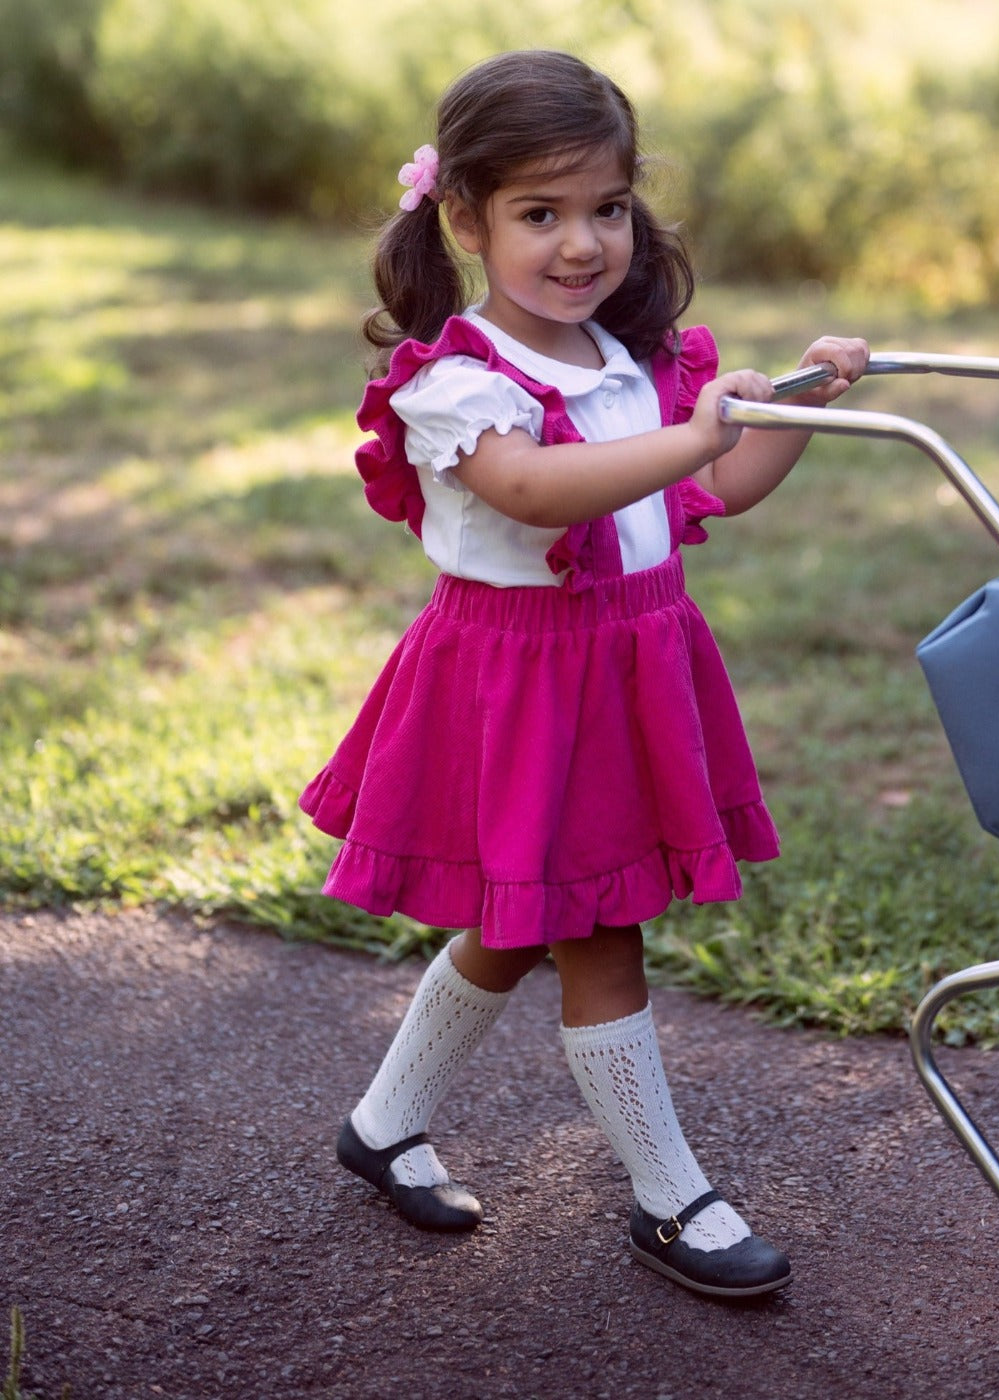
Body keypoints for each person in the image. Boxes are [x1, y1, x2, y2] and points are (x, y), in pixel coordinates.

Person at [300, 47, 868, 1300]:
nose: (580, 244)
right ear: (463, 219)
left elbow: (718, 483)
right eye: (539, 214)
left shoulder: (627, 363)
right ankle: (672, 1199)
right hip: (518, 689)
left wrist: (787, 412)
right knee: (599, 930)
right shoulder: (456, 379)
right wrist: (687, 432)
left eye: (605, 209)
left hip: (628, 671)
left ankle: (384, 1121)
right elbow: (528, 486)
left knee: (519, 927)